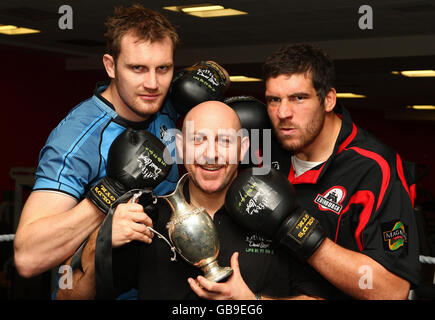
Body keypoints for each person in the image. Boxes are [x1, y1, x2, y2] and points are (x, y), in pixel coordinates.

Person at [13, 4, 229, 299]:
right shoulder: (78, 139)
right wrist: (108, 194)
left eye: (163, 68)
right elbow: (28, 256)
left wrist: (215, 77)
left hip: (165, 286)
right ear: (110, 66)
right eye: (137, 68)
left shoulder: (164, 101)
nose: (152, 84)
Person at [56, 101, 318, 300]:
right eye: (198, 140)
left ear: (244, 147)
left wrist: (251, 301)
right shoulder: (146, 219)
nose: (211, 154)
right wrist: (99, 240)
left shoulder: (280, 211)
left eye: (224, 141)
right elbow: (66, 295)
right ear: (180, 147)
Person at [232, 43, 420, 299]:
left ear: (328, 99)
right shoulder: (262, 147)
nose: (283, 113)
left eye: (298, 98)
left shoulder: (374, 168)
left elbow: (392, 290)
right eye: (274, 100)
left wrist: (302, 234)